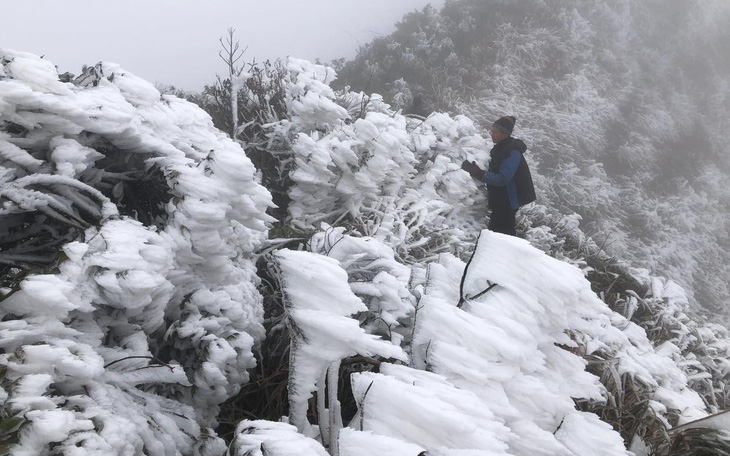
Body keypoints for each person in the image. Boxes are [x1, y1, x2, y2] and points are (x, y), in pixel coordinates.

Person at [461, 115, 535, 236]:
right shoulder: (502, 148)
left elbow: (503, 179)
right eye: (492, 131)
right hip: (501, 199)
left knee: (502, 234)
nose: (492, 134)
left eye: (495, 132)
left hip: (508, 201)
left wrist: (478, 173)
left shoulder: (512, 152)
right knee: (498, 233)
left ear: (504, 134)